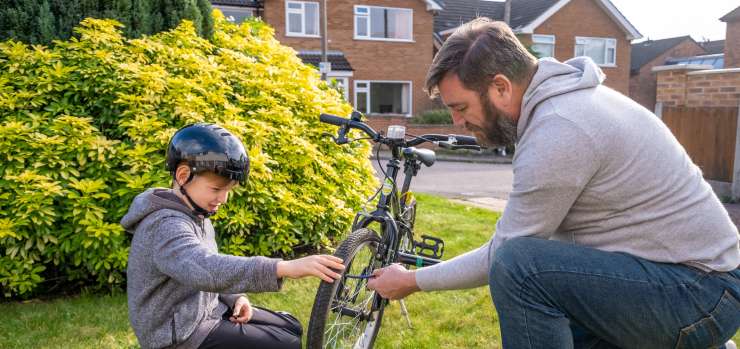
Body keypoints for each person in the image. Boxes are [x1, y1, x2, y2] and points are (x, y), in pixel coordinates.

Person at [367, 18, 740, 349]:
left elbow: (505, 255)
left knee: (520, 267)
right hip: (685, 282)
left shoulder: (560, 130)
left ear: (500, 88)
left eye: (461, 108)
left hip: (699, 293)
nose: (457, 123)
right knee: (544, 301)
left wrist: (412, 280)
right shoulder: (569, 105)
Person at [123, 123, 345, 349]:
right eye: (216, 189)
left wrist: (234, 297)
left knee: (291, 326)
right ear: (183, 175)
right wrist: (284, 267)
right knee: (284, 344)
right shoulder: (165, 225)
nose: (224, 198)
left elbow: (214, 269)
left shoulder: (196, 213)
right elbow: (205, 268)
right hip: (179, 334)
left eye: (229, 190)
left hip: (203, 311)